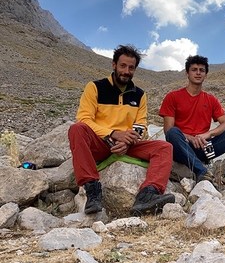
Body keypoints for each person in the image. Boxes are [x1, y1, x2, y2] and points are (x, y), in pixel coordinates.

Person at [68, 44, 175, 216]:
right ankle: (93, 191)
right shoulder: (95, 87)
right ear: (114, 65)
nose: (126, 71)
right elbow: (84, 119)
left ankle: (148, 194)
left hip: (127, 144)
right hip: (101, 143)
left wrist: (128, 141)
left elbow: (141, 127)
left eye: (131, 68)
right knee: (77, 129)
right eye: (123, 66)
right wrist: (113, 134)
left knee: (165, 147)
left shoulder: (139, 95)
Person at [159, 55, 225, 187]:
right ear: (187, 73)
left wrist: (207, 134)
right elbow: (168, 130)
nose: (198, 73)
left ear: (206, 75)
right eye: (194, 69)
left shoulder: (211, 99)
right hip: (182, 148)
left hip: (204, 146)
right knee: (173, 132)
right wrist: (191, 138)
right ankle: (203, 172)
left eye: (201, 70)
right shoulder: (173, 97)